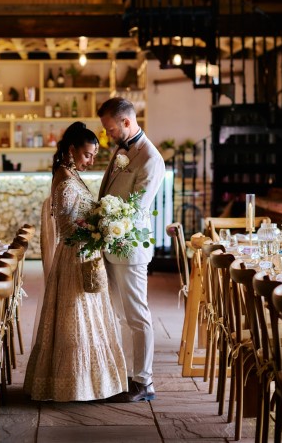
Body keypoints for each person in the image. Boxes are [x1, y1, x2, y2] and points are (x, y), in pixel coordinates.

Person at [24, 121, 127, 402]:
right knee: (75, 316)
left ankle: (90, 383)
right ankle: (72, 384)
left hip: (83, 252)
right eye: (87, 155)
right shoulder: (65, 178)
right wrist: (102, 225)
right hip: (74, 256)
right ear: (71, 150)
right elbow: (68, 223)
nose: (91, 161)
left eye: (94, 155)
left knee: (88, 316)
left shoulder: (70, 173)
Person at [98, 97, 165, 402]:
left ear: (126, 122)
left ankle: (145, 381)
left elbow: (137, 210)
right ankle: (128, 374)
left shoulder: (150, 158)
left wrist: (101, 220)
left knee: (137, 315)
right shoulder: (122, 150)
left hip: (130, 247)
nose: (108, 135)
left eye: (110, 129)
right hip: (111, 246)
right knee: (121, 316)